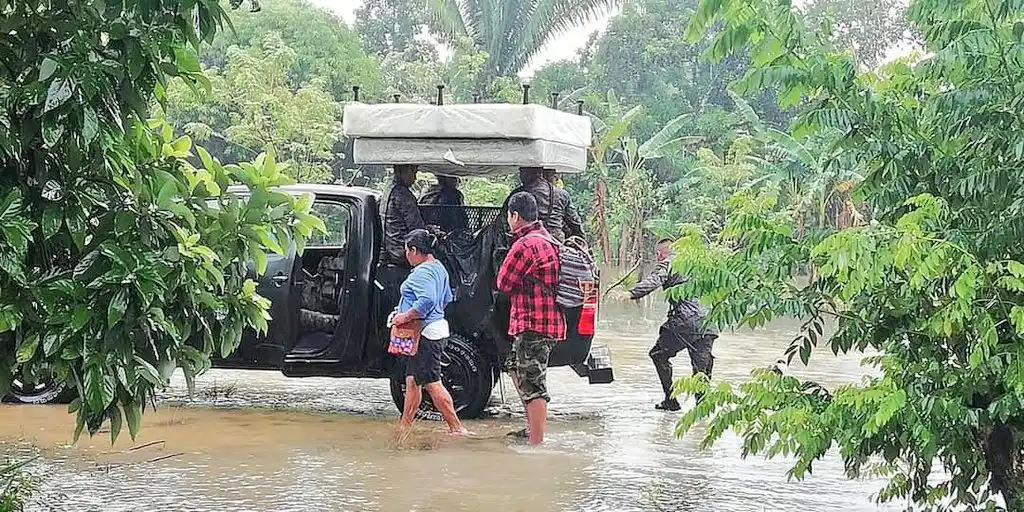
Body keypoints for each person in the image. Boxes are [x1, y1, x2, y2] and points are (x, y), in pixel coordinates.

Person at [496, 192, 565, 446]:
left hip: (533, 323)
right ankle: (531, 429)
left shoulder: (525, 245)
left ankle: (536, 444)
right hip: (548, 322)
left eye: (509, 215)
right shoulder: (549, 239)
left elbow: (503, 283)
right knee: (517, 368)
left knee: (534, 383)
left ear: (515, 215)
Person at [389, 229, 470, 435]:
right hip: (435, 330)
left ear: (414, 250)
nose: (406, 256)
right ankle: (404, 426)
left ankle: (457, 428)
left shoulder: (422, 272)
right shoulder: (438, 268)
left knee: (433, 383)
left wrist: (404, 317)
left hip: (426, 334)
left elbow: (427, 300)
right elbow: (445, 299)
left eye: (407, 251)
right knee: (412, 381)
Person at [629, 238, 718, 411]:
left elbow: (655, 280)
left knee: (658, 354)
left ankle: (671, 401)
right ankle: (702, 412)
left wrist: (631, 293)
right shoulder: (697, 265)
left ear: (659, 254)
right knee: (701, 368)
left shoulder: (669, 262)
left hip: (684, 321)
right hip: (709, 322)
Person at [501, 167, 570, 242]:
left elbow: (503, 222)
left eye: (521, 173)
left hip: (527, 242)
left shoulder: (518, 195)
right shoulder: (562, 194)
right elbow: (575, 223)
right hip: (556, 242)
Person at [381, 165, 425, 267]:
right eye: (413, 172)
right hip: (401, 251)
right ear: (403, 170)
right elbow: (417, 229)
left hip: (390, 248)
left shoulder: (389, 189)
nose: (415, 178)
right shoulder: (403, 194)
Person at [541, 168, 585, 240]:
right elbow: (574, 222)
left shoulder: (523, 192)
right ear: (554, 177)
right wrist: (582, 240)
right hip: (555, 238)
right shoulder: (561, 194)